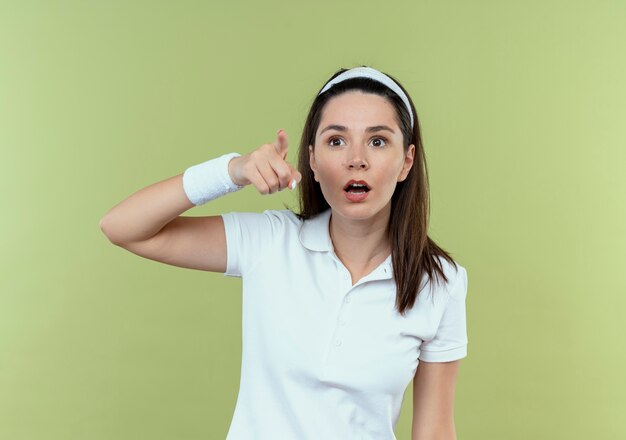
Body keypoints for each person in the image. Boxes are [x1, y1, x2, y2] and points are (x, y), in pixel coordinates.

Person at [99, 65, 469, 440]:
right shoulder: (270, 241)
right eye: (336, 141)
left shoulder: (441, 281)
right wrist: (233, 170)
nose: (356, 159)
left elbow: (435, 430)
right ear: (312, 161)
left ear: (406, 161)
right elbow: (123, 227)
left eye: (377, 141)